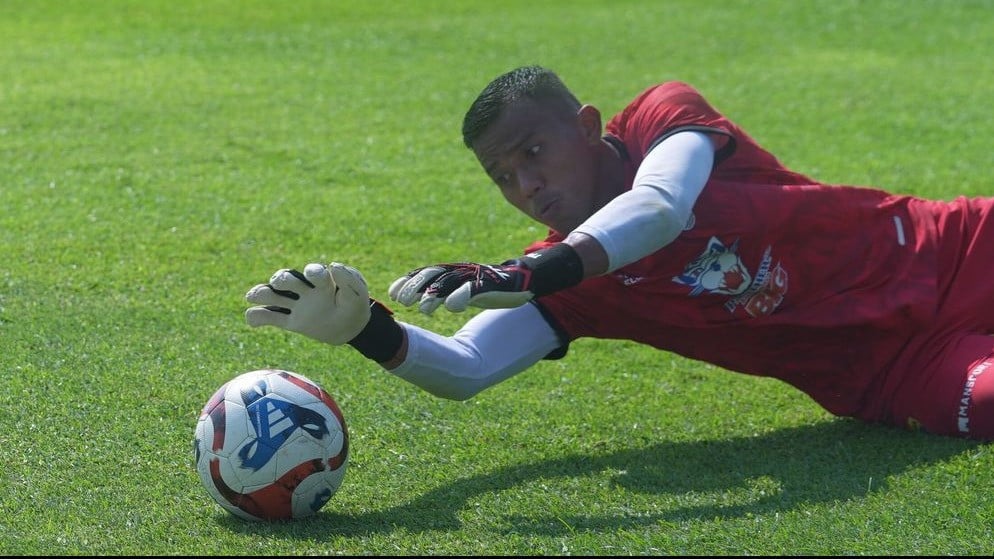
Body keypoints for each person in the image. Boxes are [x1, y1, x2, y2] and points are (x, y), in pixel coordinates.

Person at [244, 65, 994, 441]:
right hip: (894, 375)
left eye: (534, 152)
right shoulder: (579, 282)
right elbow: (467, 368)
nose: (526, 186)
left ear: (589, 125)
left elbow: (661, 207)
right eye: (503, 176)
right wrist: (365, 331)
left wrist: (523, 273)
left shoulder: (663, 116)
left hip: (956, 247)